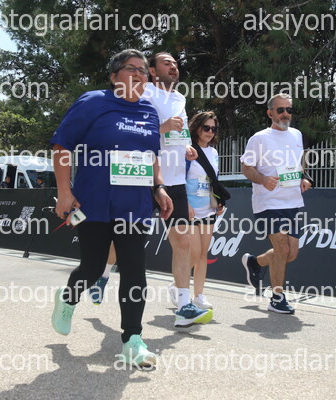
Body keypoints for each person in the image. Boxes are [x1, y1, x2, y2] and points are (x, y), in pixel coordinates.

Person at [50, 49, 173, 368]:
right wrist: (64, 192)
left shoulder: (150, 112)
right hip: (95, 202)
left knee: (134, 269)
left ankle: (133, 339)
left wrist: (159, 187)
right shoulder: (94, 102)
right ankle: (68, 298)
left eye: (144, 70)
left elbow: (151, 156)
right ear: (114, 76)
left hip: (135, 205)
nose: (139, 74)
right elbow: (62, 145)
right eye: (131, 68)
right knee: (92, 267)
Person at [141, 51, 212, 327]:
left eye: (175, 63)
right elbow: (137, 131)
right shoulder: (145, 92)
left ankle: (184, 306)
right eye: (166, 63)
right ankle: (103, 273)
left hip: (176, 182)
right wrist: (162, 127)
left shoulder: (180, 98)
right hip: (146, 178)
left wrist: (187, 147)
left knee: (182, 241)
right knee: (126, 237)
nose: (173, 66)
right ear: (152, 70)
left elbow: (178, 134)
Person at [239, 94, 313, 314]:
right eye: (280, 110)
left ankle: (255, 263)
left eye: (289, 110)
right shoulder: (259, 138)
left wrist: (304, 178)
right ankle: (277, 298)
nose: (285, 114)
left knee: (291, 253)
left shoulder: (296, 135)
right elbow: (246, 167)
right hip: (268, 202)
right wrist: (263, 179)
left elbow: (298, 164)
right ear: (270, 113)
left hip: (292, 201)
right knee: (282, 248)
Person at [185, 111, 225, 310]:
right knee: (193, 253)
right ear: (197, 128)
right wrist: (185, 204)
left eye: (213, 129)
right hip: (190, 209)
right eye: (206, 127)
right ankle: (179, 285)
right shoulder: (187, 150)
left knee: (202, 254)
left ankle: (199, 295)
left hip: (208, 208)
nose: (210, 132)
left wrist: (219, 201)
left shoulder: (214, 153)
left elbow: (213, 181)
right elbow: (178, 178)